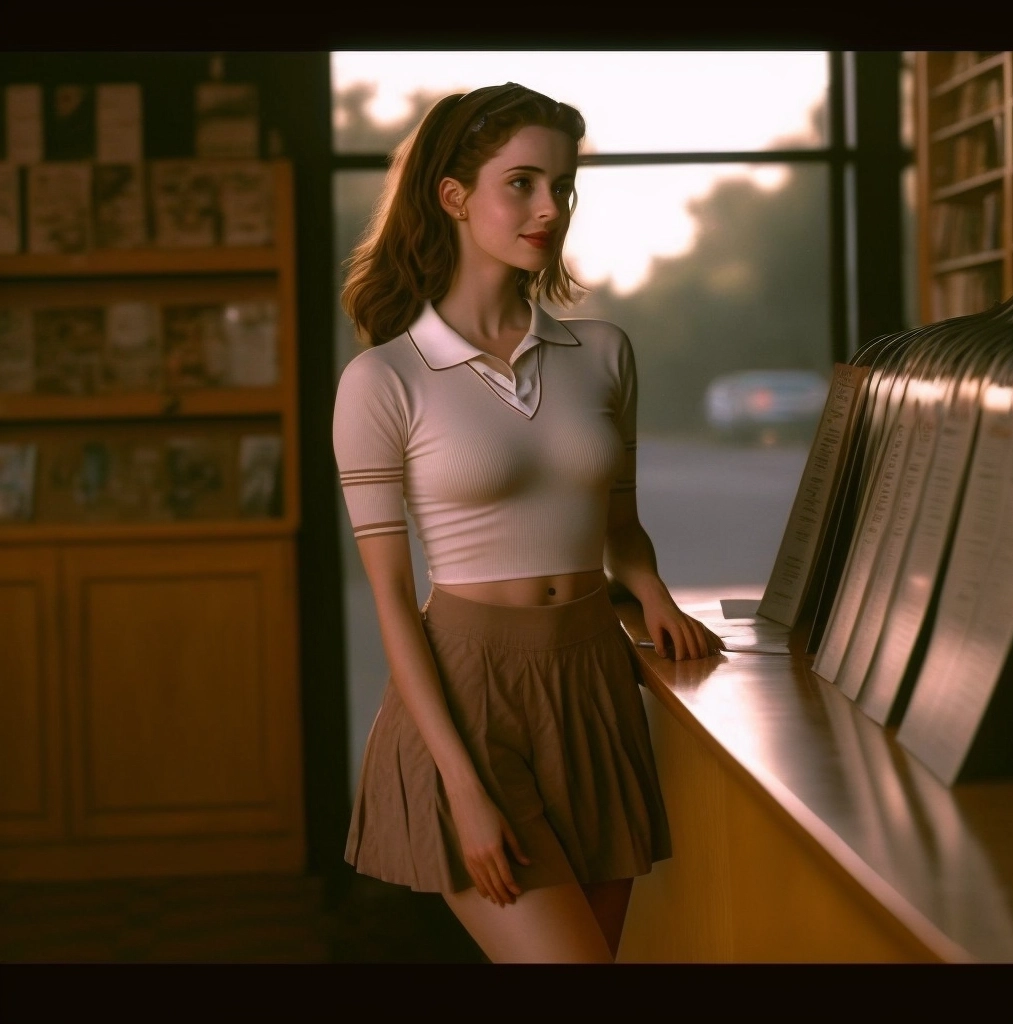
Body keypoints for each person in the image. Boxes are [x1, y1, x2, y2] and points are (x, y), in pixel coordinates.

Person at [333, 81, 724, 964]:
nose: (551, 208)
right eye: (523, 183)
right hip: (466, 703)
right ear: (454, 196)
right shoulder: (384, 380)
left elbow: (619, 524)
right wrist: (463, 790)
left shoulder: (606, 353)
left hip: (592, 681)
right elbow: (395, 600)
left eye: (565, 185)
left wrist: (652, 590)